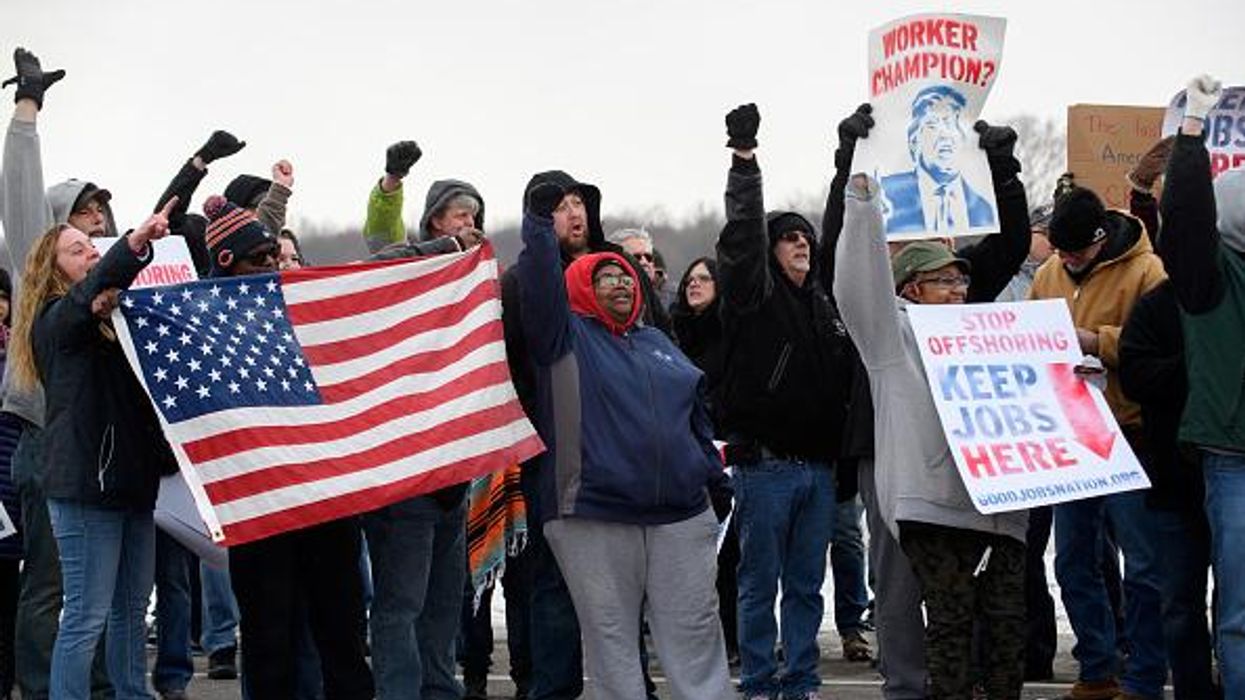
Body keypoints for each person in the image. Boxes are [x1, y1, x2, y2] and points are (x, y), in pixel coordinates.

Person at [822, 103, 1032, 699]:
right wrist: (856, 178)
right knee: (921, 607)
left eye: (962, 280)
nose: (960, 290)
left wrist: (1002, 168)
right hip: (912, 488)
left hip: (994, 502)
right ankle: (908, 690)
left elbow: (1011, 242)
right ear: (910, 288)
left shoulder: (982, 327)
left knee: (998, 622)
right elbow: (851, 270)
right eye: (946, 281)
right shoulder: (892, 333)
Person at [515, 175, 733, 700]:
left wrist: (710, 479)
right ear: (580, 288)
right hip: (594, 510)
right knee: (611, 643)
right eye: (605, 275)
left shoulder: (658, 341)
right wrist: (540, 225)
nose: (621, 282)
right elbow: (541, 281)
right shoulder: (561, 337)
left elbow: (695, 417)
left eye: (628, 276)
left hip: (678, 513)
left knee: (697, 635)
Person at [200, 193, 374, 700]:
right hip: (261, 507)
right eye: (261, 259)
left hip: (325, 499)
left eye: (277, 256)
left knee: (342, 637)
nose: (274, 267)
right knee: (267, 640)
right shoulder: (204, 320)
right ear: (228, 265)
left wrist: (444, 246)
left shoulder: (305, 303)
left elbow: (373, 276)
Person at [8, 201, 177, 699]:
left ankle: (133, 694)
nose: (88, 254)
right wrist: (134, 244)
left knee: (130, 611)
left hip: (131, 484)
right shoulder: (54, 321)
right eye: (77, 250)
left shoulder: (112, 318)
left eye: (91, 249)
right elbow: (82, 302)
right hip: (83, 487)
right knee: (85, 614)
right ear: (51, 266)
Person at [715, 103, 855, 700]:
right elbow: (745, 236)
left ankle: (800, 681)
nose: (800, 244)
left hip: (820, 470)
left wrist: (849, 159)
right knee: (757, 583)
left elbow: (844, 227)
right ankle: (759, 682)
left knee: (805, 588)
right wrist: (745, 158)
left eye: (805, 238)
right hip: (766, 467)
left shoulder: (827, 303)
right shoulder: (753, 297)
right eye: (789, 239)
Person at [1, 47, 114, 700]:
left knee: (95, 585)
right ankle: (44, 690)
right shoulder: (35, 261)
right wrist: (28, 108)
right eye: (86, 213)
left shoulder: (102, 285)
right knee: (49, 582)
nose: (96, 224)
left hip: (97, 443)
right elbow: (19, 185)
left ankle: (97, 687)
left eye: (101, 215)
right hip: (45, 439)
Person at [1028, 180, 1168, 700]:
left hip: (1128, 432)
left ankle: (1146, 673)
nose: (1069, 260)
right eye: (1061, 252)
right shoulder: (1047, 274)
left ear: (1102, 239)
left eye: (1078, 252)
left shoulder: (1147, 272)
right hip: (1072, 434)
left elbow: (1162, 346)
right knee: (1071, 560)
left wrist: (1099, 341)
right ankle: (1097, 668)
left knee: (1142, 560)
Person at [1156, 74, 1245, 697]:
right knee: (1239, 617)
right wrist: (1193, 135)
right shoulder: (1211, 280)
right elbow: (1186, 215)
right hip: (1235, 460)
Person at [879, 85, 996, 235]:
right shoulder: (884, 196)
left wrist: (1005, 171)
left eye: (951, 123)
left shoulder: (984, 210)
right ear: (914, 143)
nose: (945, 134)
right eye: (932, 125)